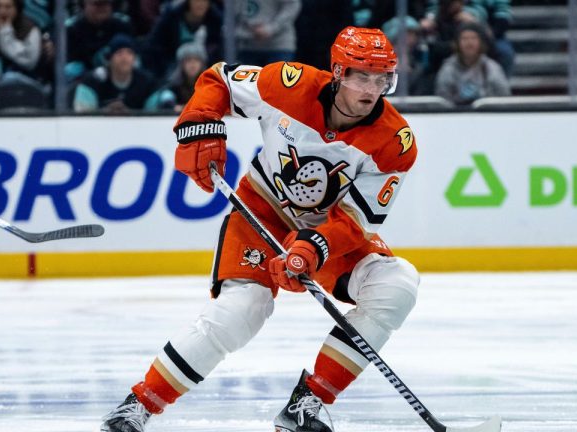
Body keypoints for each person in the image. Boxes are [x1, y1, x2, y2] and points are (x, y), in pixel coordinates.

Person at [100, 25, 420, 432]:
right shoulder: (289, 84)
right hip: (261, 213)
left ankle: (308, 404)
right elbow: (220, 79)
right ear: (338, 72)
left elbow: (356, 221)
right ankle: (138, 405)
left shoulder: (395, 141)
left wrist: (312, 247)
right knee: (241, 311)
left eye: (382, 79)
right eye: (361, 76)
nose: (371, 90)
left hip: (330, 234)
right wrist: (200, 123)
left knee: (397, 285)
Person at [72, 33, 173, 112]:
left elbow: (153, 116)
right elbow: (82, 114)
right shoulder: (93, 81)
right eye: (119, 53)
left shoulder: (146, 83)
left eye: (129, 53)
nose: (124, 58)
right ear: (109, 59)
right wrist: (104, 113)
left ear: (134, 59)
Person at [142, 0, 222, 79]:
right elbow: (154, 45)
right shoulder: (172, 17)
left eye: (204, 1)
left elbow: (218, 49)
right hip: (171, 68)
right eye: (196, 1)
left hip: (206, 68)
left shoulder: (216, 20)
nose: (200, 4)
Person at [435, 22, 509, 105]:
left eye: (473, 38)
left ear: (481, 43)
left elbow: (503, 97)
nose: (469, 43)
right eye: (464, 39)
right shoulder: (448, 68)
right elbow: (443, 100)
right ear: (457, 43)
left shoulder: (491, 67)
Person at [65, 0, 133, 80]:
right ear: (83, 5)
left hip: (117, 76)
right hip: (84, 78)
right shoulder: (72, 29)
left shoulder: (123, 26)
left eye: (106, 4)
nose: (102, 9)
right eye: (97, 4)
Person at [235, 0, 301, 65]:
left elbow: (291, 6)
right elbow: (232, 10)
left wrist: (270, 28)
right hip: (246, 45)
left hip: (279, 45)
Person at [165, 41, 207, 111]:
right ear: (181, 64)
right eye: (188, 60)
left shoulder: (209, 85)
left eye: (196, 60)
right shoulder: (173, 86)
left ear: (202, 63)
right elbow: (166, 102)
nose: (192, 64)